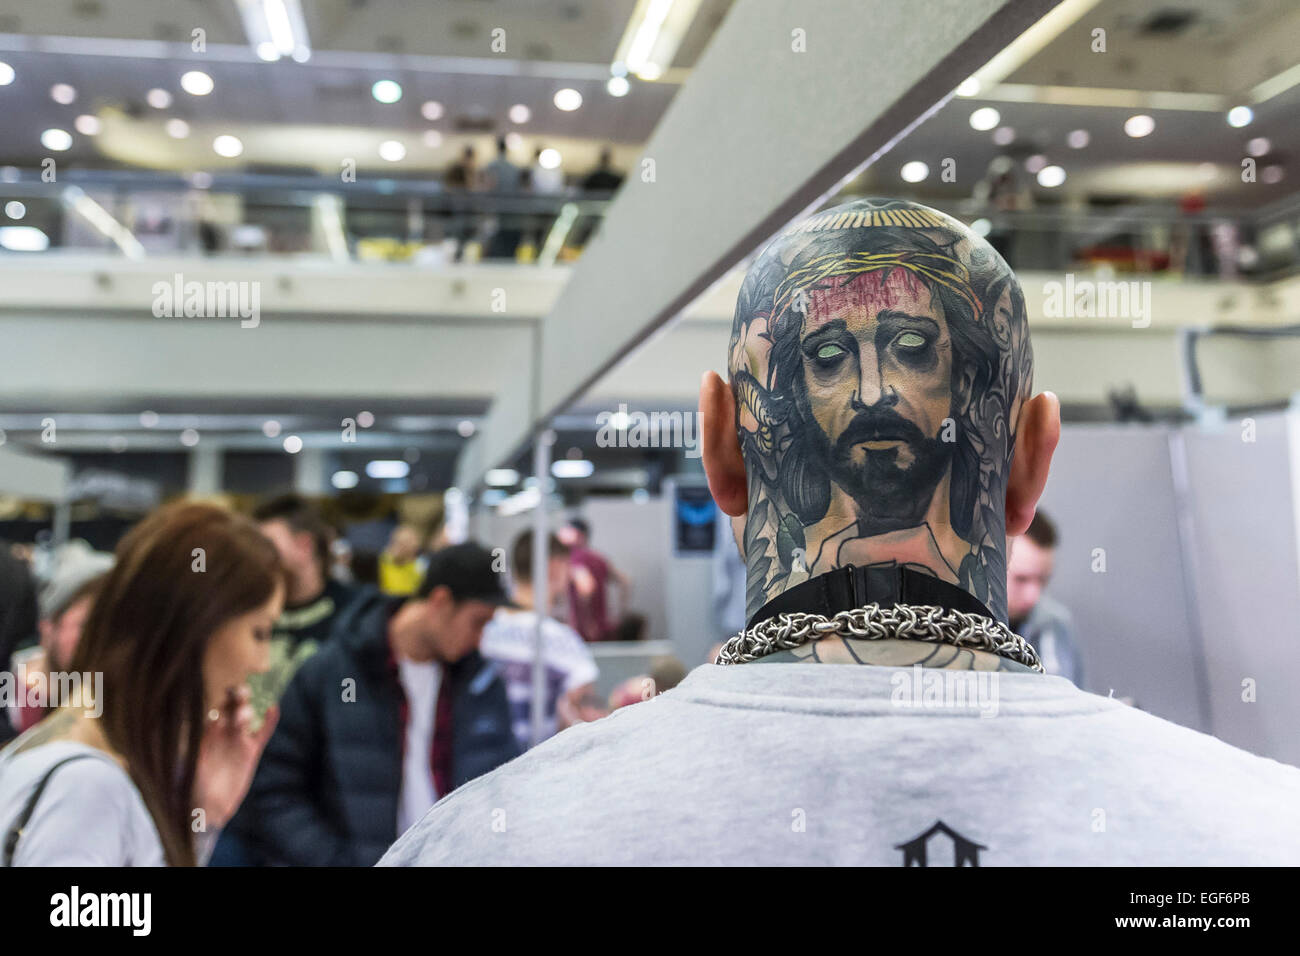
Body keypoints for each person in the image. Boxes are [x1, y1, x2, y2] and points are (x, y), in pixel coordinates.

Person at [381, 197, 1300, 866]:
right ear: (1034, 460)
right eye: (828, 358)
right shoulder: (1259, 832)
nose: (874, 395)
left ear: (717, 452)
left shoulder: (490, 840)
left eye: (913, 349)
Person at [0, 502, 284, 865]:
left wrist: (203, 819)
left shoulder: (74, 757)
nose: (261, 663)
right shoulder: (87, 787)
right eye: (259, 633)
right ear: (197, 625)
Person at [234, 542, 520, 866]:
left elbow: (502, 783)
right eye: (478, 621)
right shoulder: (334, 675)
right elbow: (275, 788)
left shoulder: (481, 684)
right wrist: (335, 861)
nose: (481, 638)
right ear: (440, 601)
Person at [480, 530, 599, 749]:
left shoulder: (483, 630)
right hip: (536, 771)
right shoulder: (563, 643)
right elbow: (586, 719)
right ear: (553, 566)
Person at [247, 494, 359, 716]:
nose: (255, 555)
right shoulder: (245, 612)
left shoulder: (355, 614)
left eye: (267, 544)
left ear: (304, 545)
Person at [1007, 511, 1083, 687]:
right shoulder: (959, 627)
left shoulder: (1057, 624)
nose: (1033, 596)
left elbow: (1080, 695)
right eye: (1021, 579)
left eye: (1043, 579)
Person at [557, 517, 631, 642]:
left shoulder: (575, 558)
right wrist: (619, 616)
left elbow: (586, 588)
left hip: (584, 634)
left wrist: (587, 624)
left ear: (578, 534)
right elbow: (625, 581)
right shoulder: (599, 558)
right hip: (606, 628)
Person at [378, 524, 424, 596]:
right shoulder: (380, 562)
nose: (399, 547)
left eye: (404, 544)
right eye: (397, 542)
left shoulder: (420, 567)